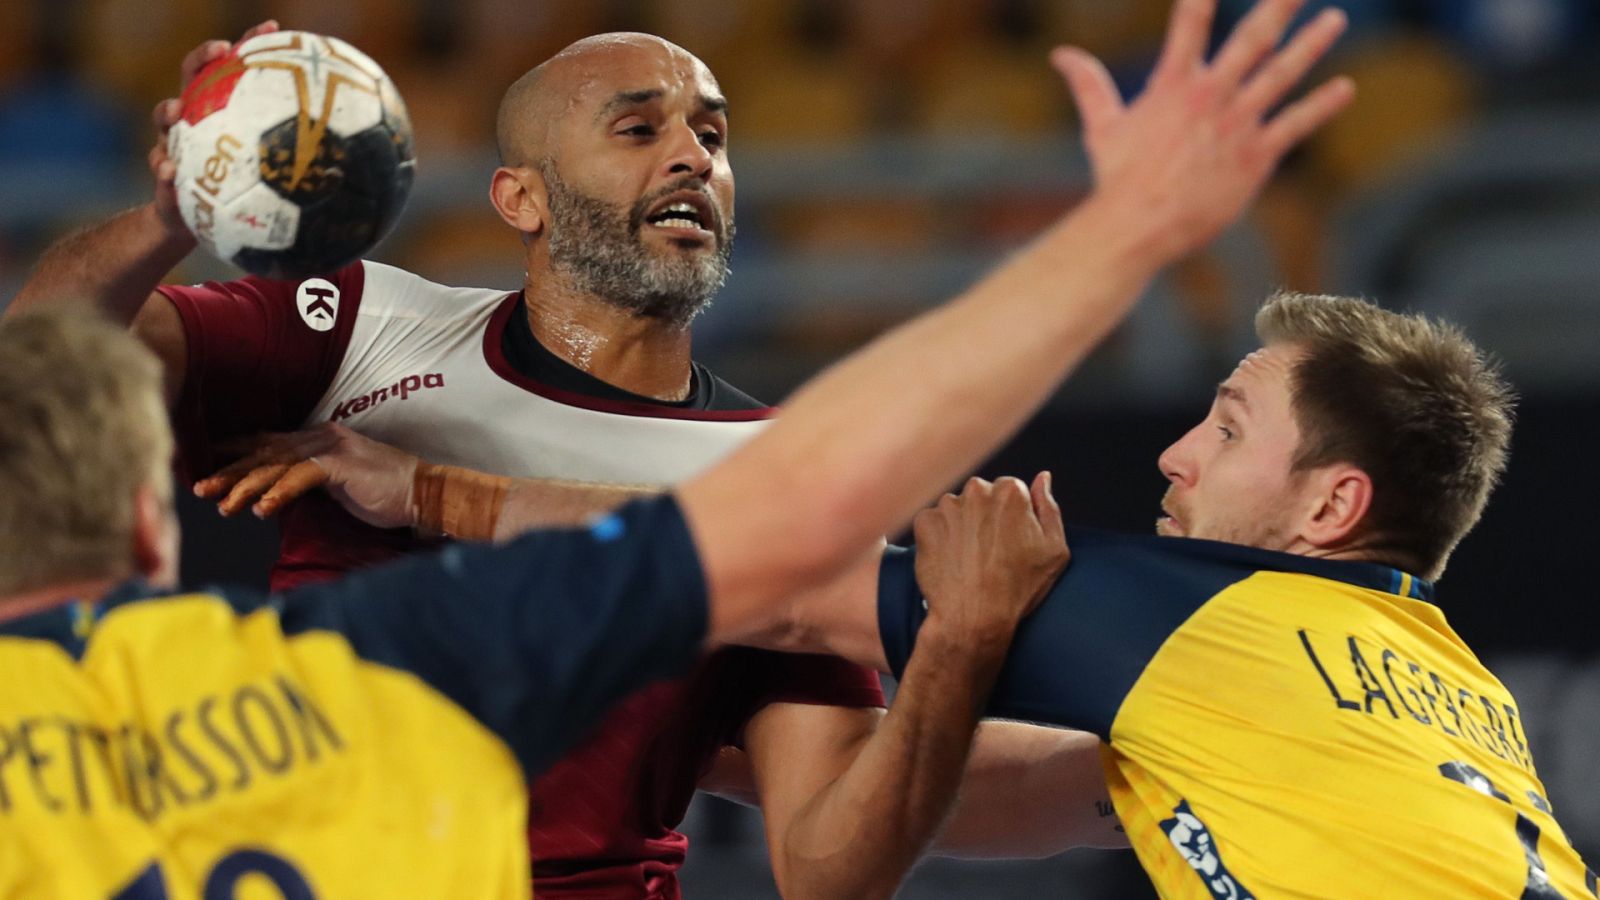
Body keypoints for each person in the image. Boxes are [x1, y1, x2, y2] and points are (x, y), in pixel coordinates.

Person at [6, 0, 1354, 895]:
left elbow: (826, 855)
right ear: (518, 197)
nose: (693, 157)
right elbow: (43, 369)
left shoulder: (763, 471)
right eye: (639, 126)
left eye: (713, 131)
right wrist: (176, 207)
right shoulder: (363, 324)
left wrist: (995, 682)